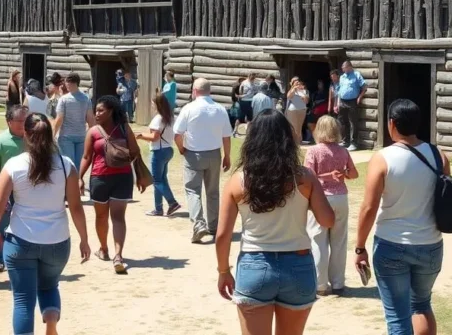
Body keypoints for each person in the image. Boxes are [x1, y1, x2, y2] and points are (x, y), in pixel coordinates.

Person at [355, 99, 452, 335]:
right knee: (421, 305)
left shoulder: (382, 158)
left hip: (391, 244)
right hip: (430, 245)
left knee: (398, 317)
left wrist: (359, 247)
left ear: (392, 124)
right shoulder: (439, 156)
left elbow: (369, 207)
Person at [215, 111, 334, 334]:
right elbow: (327, 219)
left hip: (254, 263)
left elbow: (222, 235)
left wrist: (223, 270)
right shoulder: (304, 177)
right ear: (287, 139)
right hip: (298, 264)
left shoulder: (238, 181)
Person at [0, 113, 91, 335]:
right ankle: (51, 321)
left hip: (20, 240)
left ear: (25, 134)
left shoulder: (14, 165)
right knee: (49, 285)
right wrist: (84, 238)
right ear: (50, 135)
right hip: (57, 241)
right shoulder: (66, 165)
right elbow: (75, 207)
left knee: (23, 300)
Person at [79, 96, 140, 273]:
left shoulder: (114, 129)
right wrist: (79, 177)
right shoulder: (99, 131)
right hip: (108, 178)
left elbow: (135, 151)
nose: (96, 114)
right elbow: (86, 157)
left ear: (111, 111)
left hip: (109, 178)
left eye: (100, 111)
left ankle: (114, 253)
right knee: (104, 217)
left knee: (114, 217)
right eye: (96, 110)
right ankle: (107, 250)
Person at [174, 78, 232, 244]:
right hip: (214, 154)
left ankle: (199, 224)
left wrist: (181, 148)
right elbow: (226, 136)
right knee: (213, 191)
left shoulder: (189, 108)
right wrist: (227, 156)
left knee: (192, 190)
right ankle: (214, 226)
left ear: (194, 91)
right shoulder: (220, 109)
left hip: (193, 153)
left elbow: (177, 134)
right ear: (210, 91)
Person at [303, 115, 357, 296]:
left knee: (318, 240)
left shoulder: (313, 151)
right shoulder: (343, 151)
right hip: (341, 197)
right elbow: (354, 174)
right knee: (339, 242)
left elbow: (307, 177)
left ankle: (320, 284)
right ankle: (338, 283)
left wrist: (325, 176)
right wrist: (341, 174)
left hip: (320, 198)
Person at [0, 105, 29, 273]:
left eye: (26, 120)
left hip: (26, 190)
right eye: (19, 121)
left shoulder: (32, 139)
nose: (23, 124)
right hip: (6, 190)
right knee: (2, 223)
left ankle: (21, 256)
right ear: (9, 122)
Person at [137, 93, 181, 217]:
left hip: (159, 151)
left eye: (153, 103)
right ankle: (158, 208)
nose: (152, 106)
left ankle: (172, 202)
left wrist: (140, 136)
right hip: (168, 150)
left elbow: (154, 137)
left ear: (157, 105)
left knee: (156, 181)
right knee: (161, 180)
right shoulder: (171, 117)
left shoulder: (158, 118)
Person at [52, 72, 94, 172]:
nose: (64, 85)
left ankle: (69, 185)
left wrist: (53, 134)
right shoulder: (86, 99)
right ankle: (78, 184)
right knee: (78, 165)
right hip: (81, 136)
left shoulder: (63, 99)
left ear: (69, 83)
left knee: (68, 164)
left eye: (66, 82)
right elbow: (90, 119)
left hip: (66, 136)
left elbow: (59, 119)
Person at [334, 61, 366, 151]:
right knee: (343, 122)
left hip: (352, 101)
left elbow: (364, 87)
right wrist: (337, 104)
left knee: (353, 122)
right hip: (342, 102)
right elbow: (339, 91)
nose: (343, 69)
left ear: (349, 67)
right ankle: (345, 141)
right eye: (342, 68)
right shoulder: (342, 77)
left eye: (344, 68)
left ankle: (353, 143)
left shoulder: (356, 74)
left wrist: (359, 97)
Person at [285, 77, 309, 145]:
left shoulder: (304, 91)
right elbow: (289, 96)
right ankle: (293, 141)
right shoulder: (291, 90)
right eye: (295, 82)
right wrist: (294, 88)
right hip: (292, 110)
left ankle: (299, 141)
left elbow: (306, 101)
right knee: (293, 126)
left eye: (298, 82)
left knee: (299, 126)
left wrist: (302, 94)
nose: (297, 83)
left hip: (302, 110)